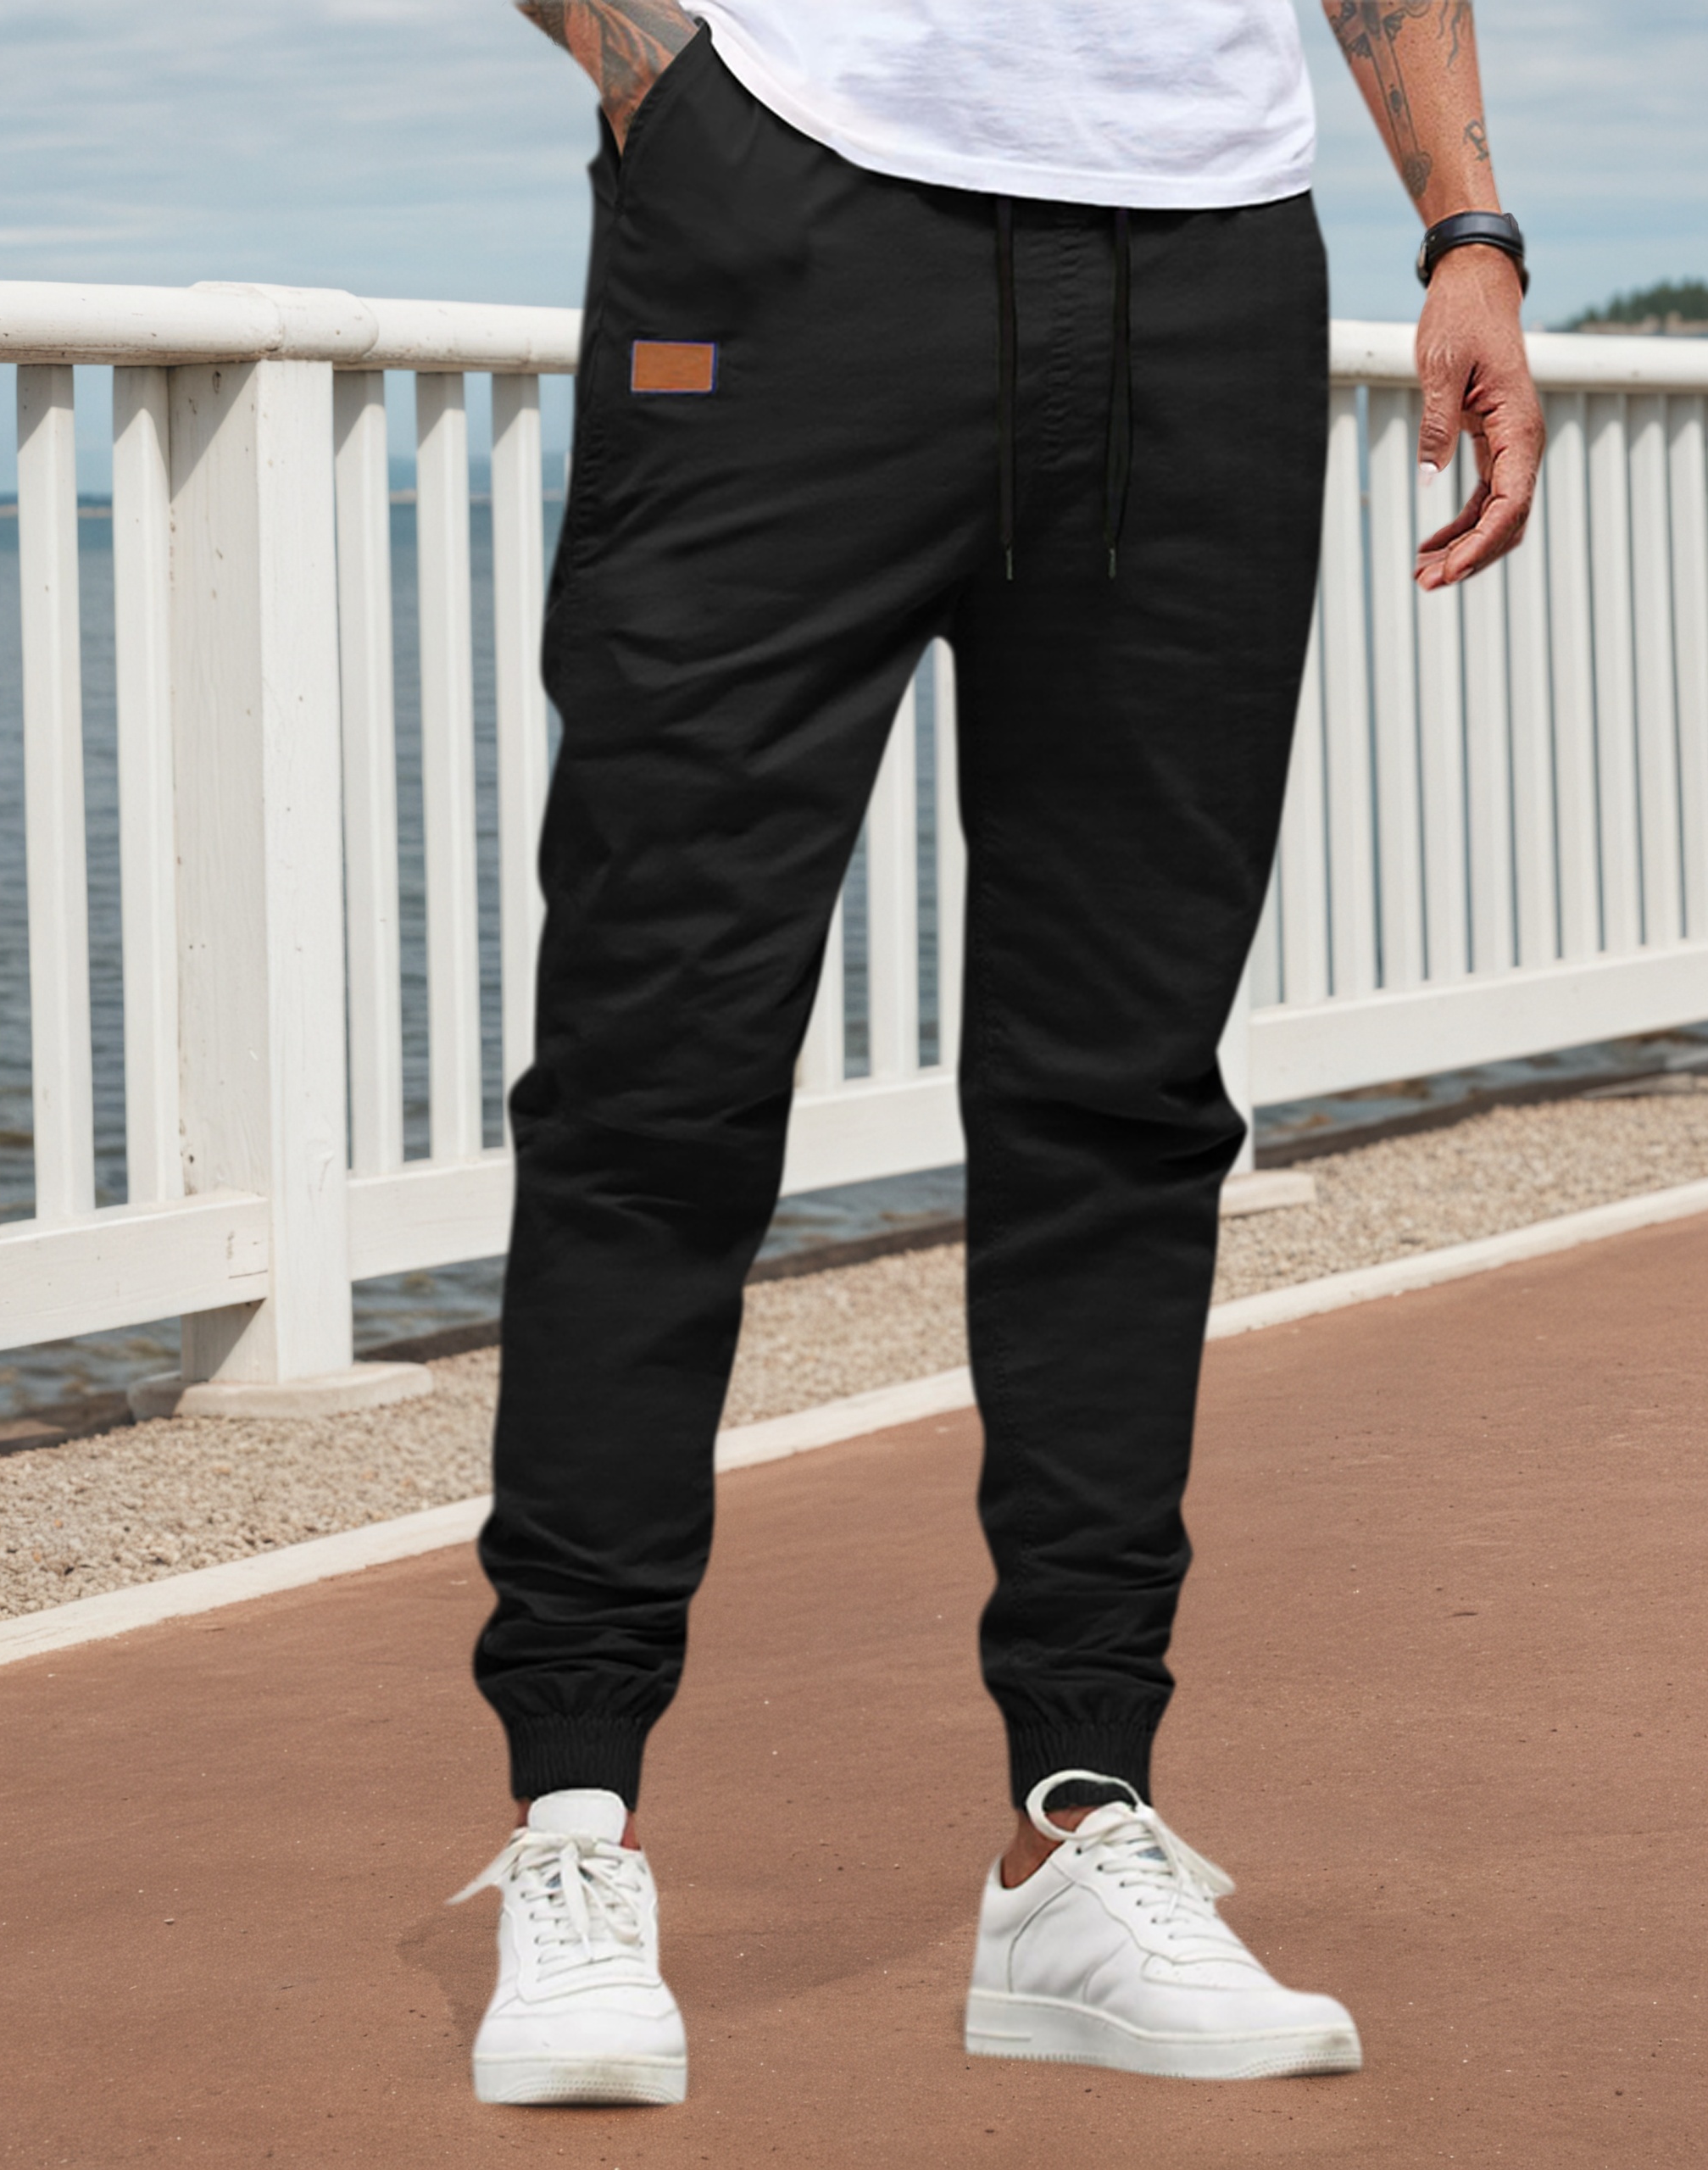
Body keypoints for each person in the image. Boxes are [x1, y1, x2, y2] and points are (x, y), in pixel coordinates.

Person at [450, 0, 1542, 2107]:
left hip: (1209, 256)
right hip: (791, 209)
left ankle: (1079, 1824)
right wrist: (658, 70)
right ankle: (572, 1817)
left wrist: (1465, 226)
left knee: (1119, 1085)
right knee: (657, 1065)